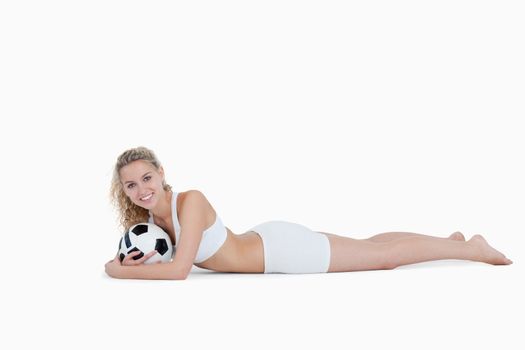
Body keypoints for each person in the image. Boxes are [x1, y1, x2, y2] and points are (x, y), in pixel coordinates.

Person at [104, 146, 513, 280]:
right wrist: (135, 259)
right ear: (123, 191)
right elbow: (169, 260)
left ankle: (473, 250)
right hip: (269, 242)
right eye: (131, 184)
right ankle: (449, 242)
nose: (142, 189)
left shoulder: (189, 202)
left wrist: (118, 270)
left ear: (161, 173)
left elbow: (178, 272)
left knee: (381, 259)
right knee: (369, 244)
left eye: (146, 177)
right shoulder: (151, 225)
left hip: (281, 253)